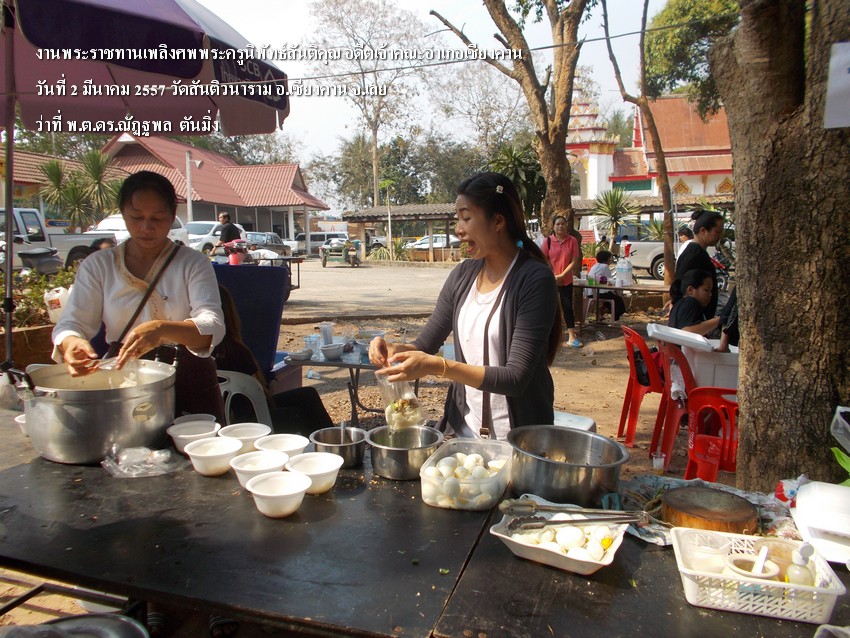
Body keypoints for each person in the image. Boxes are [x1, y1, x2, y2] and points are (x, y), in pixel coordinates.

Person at [368, 172, 562, 440]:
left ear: (498, 221)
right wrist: (395, 349)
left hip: (520, 438)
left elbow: (515, 379)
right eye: (457, 219)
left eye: (466, 218)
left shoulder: (534, 279)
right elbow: (425, 345)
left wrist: (438, 366)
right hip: (464, 432)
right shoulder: (462, 276)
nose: (458, 229)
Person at [52, 171, 226, 422]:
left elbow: (214, 326)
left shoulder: (193, 263)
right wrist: (71, 343)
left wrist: (161, 329)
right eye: (136, 217)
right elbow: (72, 323)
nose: (146, 227)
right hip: (126, 379)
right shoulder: (99, 265)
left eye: (158, 217)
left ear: (172, 216)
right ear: (123, 213)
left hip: (189, 377)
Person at [213, 285, 334, 436]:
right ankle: (332, 443)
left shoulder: (198, 352)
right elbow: (259, 392)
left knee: (308, 394)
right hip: (250, 422)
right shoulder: (236, 350)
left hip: (227, 418)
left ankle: (333, 440)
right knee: (302, 414)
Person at [671, 209, 725, 318]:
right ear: (703, 230)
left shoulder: (697, 252)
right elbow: (680, 284)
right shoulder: (694, 254)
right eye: (717, 232)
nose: (720, 236)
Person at [542, 214, 582, 348]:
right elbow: (543, 259)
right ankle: (548, 337)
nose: (560, 226)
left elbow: (574, 261)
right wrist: (553, 275)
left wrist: (562, 275)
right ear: (553, 227)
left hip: (566, 280)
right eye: (558, 224)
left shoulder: (572, 241)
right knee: (549, 308)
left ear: (566, 226)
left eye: (563, 224)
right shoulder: (548, 241)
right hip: (551, 280)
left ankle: (571, 337)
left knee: (567, 307)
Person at [668, 269, 721, 335]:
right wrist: (720, 320)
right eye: (706, 290)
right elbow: (686, 332)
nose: (710, 294)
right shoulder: (690, 302)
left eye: (711, 291)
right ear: (690, 290)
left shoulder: (679, 304)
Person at [586, 250, 625, 321]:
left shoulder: (595, 266)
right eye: (610, 258)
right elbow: (610, 282)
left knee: (611, 298)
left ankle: (599, 314)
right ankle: (613, 318)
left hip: (591, 293)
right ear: (606, 259)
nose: (611, 260)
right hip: (600, 293)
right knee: (618, 300)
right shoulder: (605, 267)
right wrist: (617, 292)